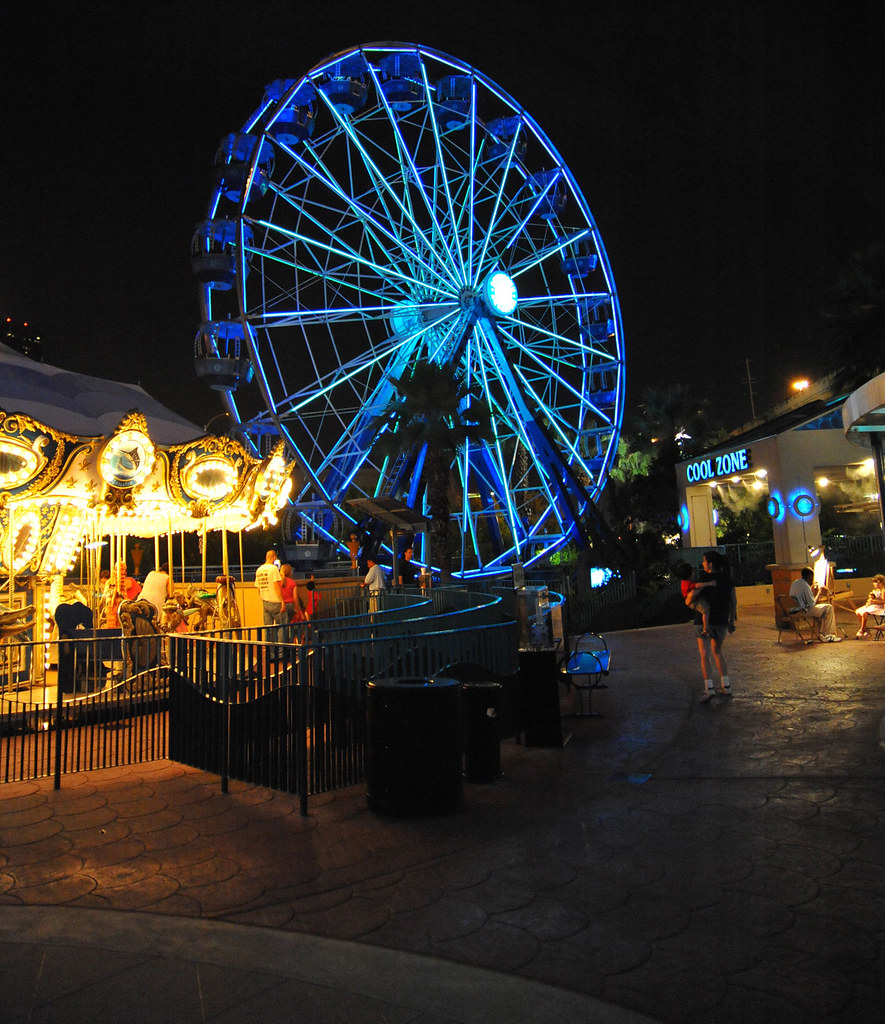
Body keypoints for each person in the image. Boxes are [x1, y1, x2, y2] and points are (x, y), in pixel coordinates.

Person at [694, 551, 737, 702]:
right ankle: (726, 686)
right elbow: (733, 602)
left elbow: (693, 595)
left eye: (704, 561)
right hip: (721, 621)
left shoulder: (704, 579)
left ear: (710, 565)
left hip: (703, 621)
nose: (703, 564)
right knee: (718, 652)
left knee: (704, 654)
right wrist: (731, 621)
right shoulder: (728, 580)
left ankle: (709, 688)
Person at [789, 566, 842, 643]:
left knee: (821, 611)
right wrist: (819, 593)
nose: (813, 579)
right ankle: (828, 634)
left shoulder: (795, 583)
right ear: (809, 576)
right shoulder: (805, 586)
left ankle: (820, 634)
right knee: (829, 608)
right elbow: (812, 604)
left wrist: (811, 589)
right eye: (812, 577)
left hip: (791, 611)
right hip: (802, 611)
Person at [674, 561, 713, 635]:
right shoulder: (688, 583)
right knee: (706, 611)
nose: (694, 573)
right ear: (690, 574)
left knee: (705, 610)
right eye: (693, 572)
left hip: (693, 601)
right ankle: (706, 628)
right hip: (694, 601)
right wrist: (709, 583)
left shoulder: (684, 582)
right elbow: (697, 586)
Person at [103, 561, 142, 629]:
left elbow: (123, 590)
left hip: (129, 605)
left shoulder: (128, 581)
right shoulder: (110, 582)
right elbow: (107, 594)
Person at [255, 550, 286, 627]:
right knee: (281, 626)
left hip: (265, 601)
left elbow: (258, 587)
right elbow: (276, 585)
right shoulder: (273, 568)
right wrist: (282, 601)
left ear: (266, 557)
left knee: (268, 627)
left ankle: (268, 636)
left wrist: (262, 597)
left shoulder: (259, 570)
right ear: (274, 557)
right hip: (275, 600)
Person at [855, 573, 885, 638]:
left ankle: (862, 629)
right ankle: (865, 629)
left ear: (882, 583)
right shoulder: (875, 590)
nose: (876, 585)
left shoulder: (883, 591)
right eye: (875, 583)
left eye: (878, 583)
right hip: (873, 605)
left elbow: (883, 602)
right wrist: (869, 601)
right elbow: (872, 598)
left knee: (865, 613)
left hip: (880, 607)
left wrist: (874, 601)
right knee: (858, 612)